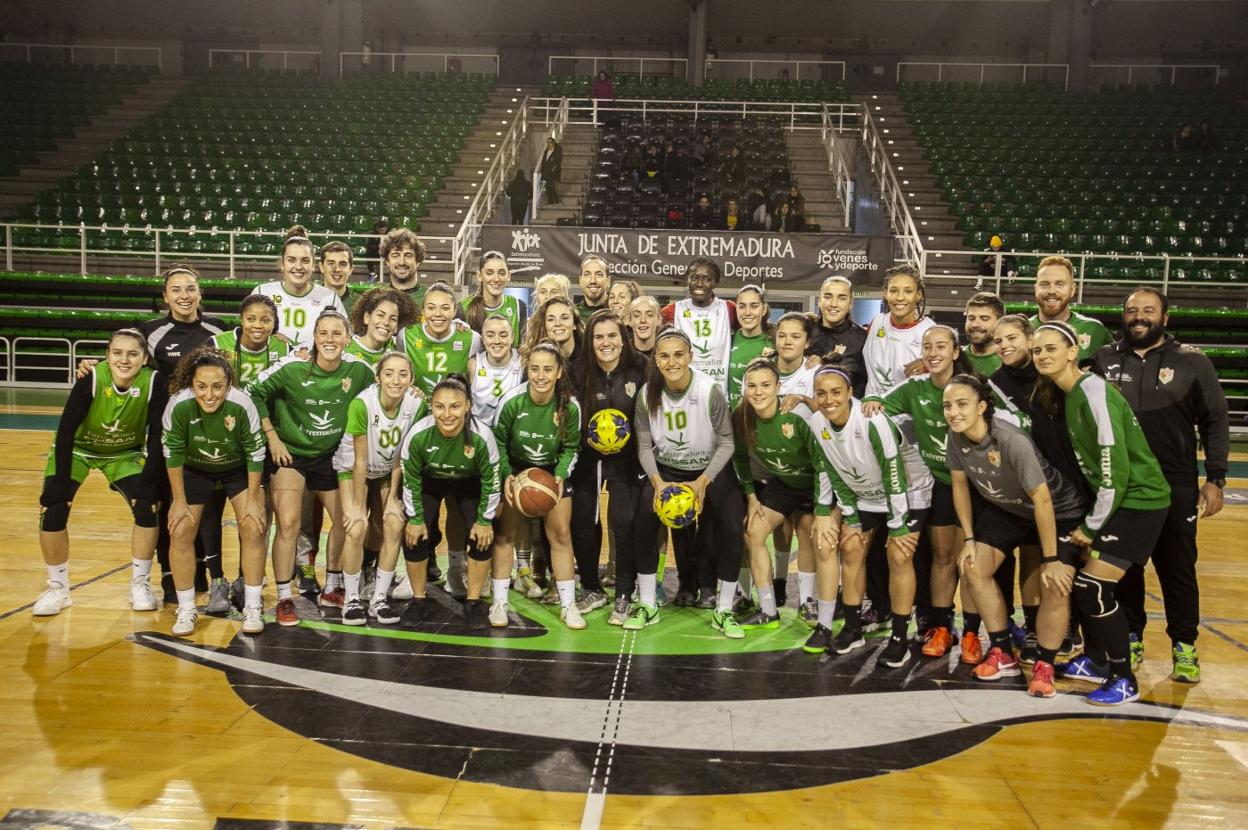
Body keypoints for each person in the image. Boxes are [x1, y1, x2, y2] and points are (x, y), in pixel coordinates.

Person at [1091, 288, 1229, 683]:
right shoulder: (1103, 359)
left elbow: (1216, 418)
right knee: (1125, 567)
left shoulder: (1192, 361)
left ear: (1165, 318)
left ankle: (1184, 645)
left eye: (1148, 310)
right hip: (1122, 483)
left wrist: (1215, 477)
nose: (1139, 316)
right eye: (1132, 310)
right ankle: (1131, 636)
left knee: (1178, 567)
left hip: (1175, 484)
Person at [1033, 322, 1171, 705]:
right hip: (1119, 500)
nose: (1042, 355)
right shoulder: (1069, 394)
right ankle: (1095, 660)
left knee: (1092, 586)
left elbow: (1115, 470)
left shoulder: (1094, 391)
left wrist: (1091, 527)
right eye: (1037, 350)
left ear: (1072, 352)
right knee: (1083, 580)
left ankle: (1123, 678)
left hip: (1140, 501)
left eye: (1050, 348)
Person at [944, 373, 1087, 697]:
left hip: (1057, 511)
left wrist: (1051, 559)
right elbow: (959, 487)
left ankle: (1045, 665)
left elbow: (1043, 500)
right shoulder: (955, 436)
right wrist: (969, 540)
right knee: (972, 568)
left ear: (982, 407)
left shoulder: (1011, 439)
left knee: (1054, 583)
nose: (953, 412)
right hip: (1009, 510)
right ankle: (1002, 652)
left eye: (962, 404)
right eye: (948, 405)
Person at [248, 310, 376, 625]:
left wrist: (412, 391)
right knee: (289, 524)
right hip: (290, 455)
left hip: (331, 456)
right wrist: (272, 437)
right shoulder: (293, 367)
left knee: (345, 522)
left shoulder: (359, 370)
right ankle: (284, 597)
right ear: (315, 338)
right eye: (323, 333)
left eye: (337, 333)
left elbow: (385, 387)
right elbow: (254, 392)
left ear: (348, 338)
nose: (330, 340)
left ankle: (333, 586)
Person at [32, 329, 166, 617]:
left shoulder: (153, 382)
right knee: (54, 508)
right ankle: (58, 588)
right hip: (77, 451)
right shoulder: (92, 378)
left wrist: (149, 481)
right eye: (117, 353)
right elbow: (66, 430)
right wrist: (60, 482)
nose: (124, 360)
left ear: (144, 358)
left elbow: (157, 435)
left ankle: (140, 584)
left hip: (124, 453)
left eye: (132, 354)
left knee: (147, 506)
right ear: (107, 355)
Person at [808, 358, 931, 667]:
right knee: (850, 546)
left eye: (836, 392)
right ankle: (853, 629)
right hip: (866, 495)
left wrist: (898, 524)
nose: (828, 400)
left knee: (899, 555)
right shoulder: (817, 423)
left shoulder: (872, 420)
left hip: (908, 492)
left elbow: (894, 472)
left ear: (850, 392)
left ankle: (899, 638)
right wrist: (849, 515)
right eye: (821, 393)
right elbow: (832, 470)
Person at [863, 326, 973, 660]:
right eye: (927, 347)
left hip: (976, 485)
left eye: (941, 346)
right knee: (941, 557)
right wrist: (870, 401)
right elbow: (876, 402)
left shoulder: (972, 387)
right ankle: (940, 625)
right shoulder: (915, 387)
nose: (933, 353)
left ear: (956, 351)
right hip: (940, 483)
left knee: (971, 562)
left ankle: (974, 633)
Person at [987, 314, 1094, 657]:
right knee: (1032, 557)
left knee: (1065, 560)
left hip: (1067, 483)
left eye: (1012, 338)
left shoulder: (1053, 375)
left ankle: (1068, 627)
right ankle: (1034, 628)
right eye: (999, 341)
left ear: (1030, 339)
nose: (1005, 346)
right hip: (1025, 485)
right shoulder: (995, 383)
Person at [631, 329, 743, 636]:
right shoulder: (646, 395)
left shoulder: (709, 390)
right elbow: (644, 446)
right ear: (656, 360)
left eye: (679, 355)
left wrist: (703, 481)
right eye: (664, 356)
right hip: (667, 470)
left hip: (710, 469)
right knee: (644, 522)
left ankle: (724, 609)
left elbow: (727, 443)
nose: (672, 362)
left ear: (691, 357)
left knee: (733, 528)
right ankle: (647, 604)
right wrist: (657, 483)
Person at [161, 347, 267, 636]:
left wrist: (254, 500)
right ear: (191, 384)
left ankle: (253, 606)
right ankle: (186, 608)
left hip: (237, 468)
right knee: (180, 530)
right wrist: (178, 501)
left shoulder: (242, 404)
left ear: (228, 384)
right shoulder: (179, 404)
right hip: (195, 469)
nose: (209, 394)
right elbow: (172, 452)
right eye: (202, 386)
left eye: (217, 387)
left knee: (253, 526)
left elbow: (256, 452)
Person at [734, 356, 831, 644]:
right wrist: (751, 496)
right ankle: (768, 609)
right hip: (785, 484)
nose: (758, 392)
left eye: (765, 385)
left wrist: (822, 508)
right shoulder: (742, 416)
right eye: (752, 386)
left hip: (815, 484)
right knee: (752, 532)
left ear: (778, 387)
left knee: (808, 530)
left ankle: (808, 601)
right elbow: (741, 459)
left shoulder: (798, 415)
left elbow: (823, 463)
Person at [491, 342, 584, 629]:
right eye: (534, 369)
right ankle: (499, 603)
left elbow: (571, 446)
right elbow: (497, 442)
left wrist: (560, 474)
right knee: (505, 535)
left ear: (559, 372)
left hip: (552, 472)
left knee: (561, 534)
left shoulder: (569, 406)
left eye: (547, 369)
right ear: (527, 370)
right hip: (516, 469)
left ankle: (568, 605)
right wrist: (507, 474)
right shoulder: (511, 401)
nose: (540, 376)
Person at [401, 376, 503, 628]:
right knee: (414, 536)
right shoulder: (419, 434)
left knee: (483, 537)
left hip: (468, 482)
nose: (447, 414)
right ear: (432, 407)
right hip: (431, 480)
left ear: (467, 406)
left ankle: (473, 602)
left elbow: (492, 481)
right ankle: (418, 600)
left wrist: (484, 520)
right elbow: (410, 478)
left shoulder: (482, 436)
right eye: (440, 407)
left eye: (455, 406)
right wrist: (415, 518)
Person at [334, 352, 425, 625]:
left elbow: (401, 455)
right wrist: (357, 505)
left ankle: (379, 599)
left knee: (394, 523)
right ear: (378, 378)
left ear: (411, 378)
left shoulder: (416, 404)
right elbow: (360, 460)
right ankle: (351, 599)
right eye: (389, 373)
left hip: (388, 469)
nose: (396, 380)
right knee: (357, 527)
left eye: (403, 374)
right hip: (353, 468)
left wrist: (394, 497)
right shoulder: (362, 404)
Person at [569, 311, 649, 622]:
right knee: (583, 522)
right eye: (598, 337)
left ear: (623, 338)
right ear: (589, 341)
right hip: (588, 459)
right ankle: (591, 588)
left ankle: (625, 592)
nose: (606, 343)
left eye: (612, 335)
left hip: (628, 459)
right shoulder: (578, 371)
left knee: (623, 523)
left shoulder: (641, 368)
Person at [253, 226, 347, 348]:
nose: (298, 266)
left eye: (305, 261)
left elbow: (344, 339)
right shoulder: (263, 293)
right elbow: (248, 333)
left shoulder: (329, 298)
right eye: (291, 260)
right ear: (282, 264)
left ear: (313, 265)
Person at [661, 258, 738, 392]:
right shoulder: (673, 310)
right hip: (685, 393)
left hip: (718, 393)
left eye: (707, 279)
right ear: (687, 280)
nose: (699, 284)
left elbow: (754, 329)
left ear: (715, 283)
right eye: (694, 278)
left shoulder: (728, 309)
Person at [862, 264, 936, 399]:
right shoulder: (876, 323)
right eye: (893, 290)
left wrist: (928, 365)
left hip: (908, 410)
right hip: (872, 408)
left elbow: (949, 367)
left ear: (918, 295)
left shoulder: (930, 331)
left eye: (908, 291)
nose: (900, 297)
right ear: (886, 293)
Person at [398, 282, 482, 398]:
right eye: (431, 308)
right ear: (423, 310)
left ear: (454, 311)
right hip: (417, 408)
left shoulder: (472, 339)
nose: (438, 314)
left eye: (445, 308)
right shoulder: (406, 336)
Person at [1030, 255, 1113, 364]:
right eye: (1044, 284)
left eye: (1060, 284)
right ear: (1036, 289)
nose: (1052, 291)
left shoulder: (1094, 329)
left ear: (1072, 289)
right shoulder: (1023, 331)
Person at [211, 295, 292, 390]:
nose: (258, 325)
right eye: (251, 319)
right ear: (241, 320)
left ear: (274, 322)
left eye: (265, 321)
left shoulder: (284, 347)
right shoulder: (217, 344)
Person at [807, 275, 867, 397]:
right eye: (828, 297)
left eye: (842, 298)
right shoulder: (805, 331)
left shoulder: (863, 339)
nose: (833, 304)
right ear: (819, 301)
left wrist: (821, 365)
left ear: (850, 303)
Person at [460, 251, 527, 347]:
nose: (496, 279)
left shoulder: (518, 306)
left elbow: (523, 348)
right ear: (479, 276)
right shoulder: (463, 307)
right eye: (489, 273)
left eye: (502, 273)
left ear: (509, 276)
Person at [468, 314, 524, 427]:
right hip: (479, 431)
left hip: (510, 431)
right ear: (483, 339)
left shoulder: (522, 363)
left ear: (512, 337)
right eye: (490, 335)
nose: (497, 341)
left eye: (503, 335)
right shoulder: (473, 364)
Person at [345, 287, 417, 368]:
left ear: (397, 327)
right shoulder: (345, 349)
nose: (386, 322)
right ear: (367, 317)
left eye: (393, 319)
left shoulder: (399, 348)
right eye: (380, 315)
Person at [727, 284, 773, 409]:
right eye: (742, 306)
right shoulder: (726, 342)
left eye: (754, 306)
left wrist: (814, 359)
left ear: (764, 309)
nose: (747, 312)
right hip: (731, 418)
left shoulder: (775, 343)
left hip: (763, 417)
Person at [379, 227, 429, 310]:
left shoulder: (431, 297)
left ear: (418, 261)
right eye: (395, 255)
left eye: (408, 255)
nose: (401, 262)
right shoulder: (377, 298)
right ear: (387, 261)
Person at [525, 295, 582, 362]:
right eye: (551, 319)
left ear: (574, 324)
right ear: (544, 325)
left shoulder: (589, 355)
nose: (558, 323)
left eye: (564, 318)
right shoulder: (535, 357)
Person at [963, 292, 1004, 376]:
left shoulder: (1010, 361)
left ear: (999, 322)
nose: (975, 324)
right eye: (971, 318)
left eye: (984, 319)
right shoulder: (955, 359)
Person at [319, 241, 356, 314]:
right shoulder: (308, 300)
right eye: (331, 263)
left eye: (343, 264)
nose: (337, 269)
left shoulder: (361, 304)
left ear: (351, 269)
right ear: (321, 267)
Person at [576, 255, 611, 323]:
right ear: (580, 281)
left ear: (608, 281)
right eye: (587, 275)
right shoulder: (573, 314)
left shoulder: (616, 311)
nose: (593, 281)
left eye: (599, 275)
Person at [540, 137, 563, 205]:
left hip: (553, 173)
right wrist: (543, 171)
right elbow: (543, 162)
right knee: (547, 188)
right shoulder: (546, 152)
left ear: (553, 143)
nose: (549, 144)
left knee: (552, 187)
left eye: (550, 142)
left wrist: (553, 170)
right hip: (546, 173)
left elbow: (557, 162)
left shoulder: (556, 152)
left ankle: (556, 201)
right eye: (548, 142)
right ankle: (550, 201)